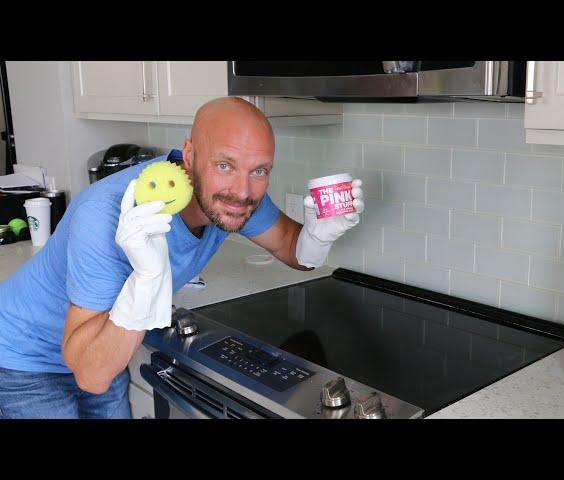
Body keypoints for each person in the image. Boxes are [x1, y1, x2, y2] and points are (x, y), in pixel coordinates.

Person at [0, 97, 364, 419]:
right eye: (224, 165)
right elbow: (90, 374)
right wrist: (146, 282)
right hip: (26, 355)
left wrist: (318, 236)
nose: (242, 190)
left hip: (105, 345)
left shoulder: (234, 200)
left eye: (259, 171)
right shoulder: (106, 215)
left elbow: (290, 245)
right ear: (189, 155)